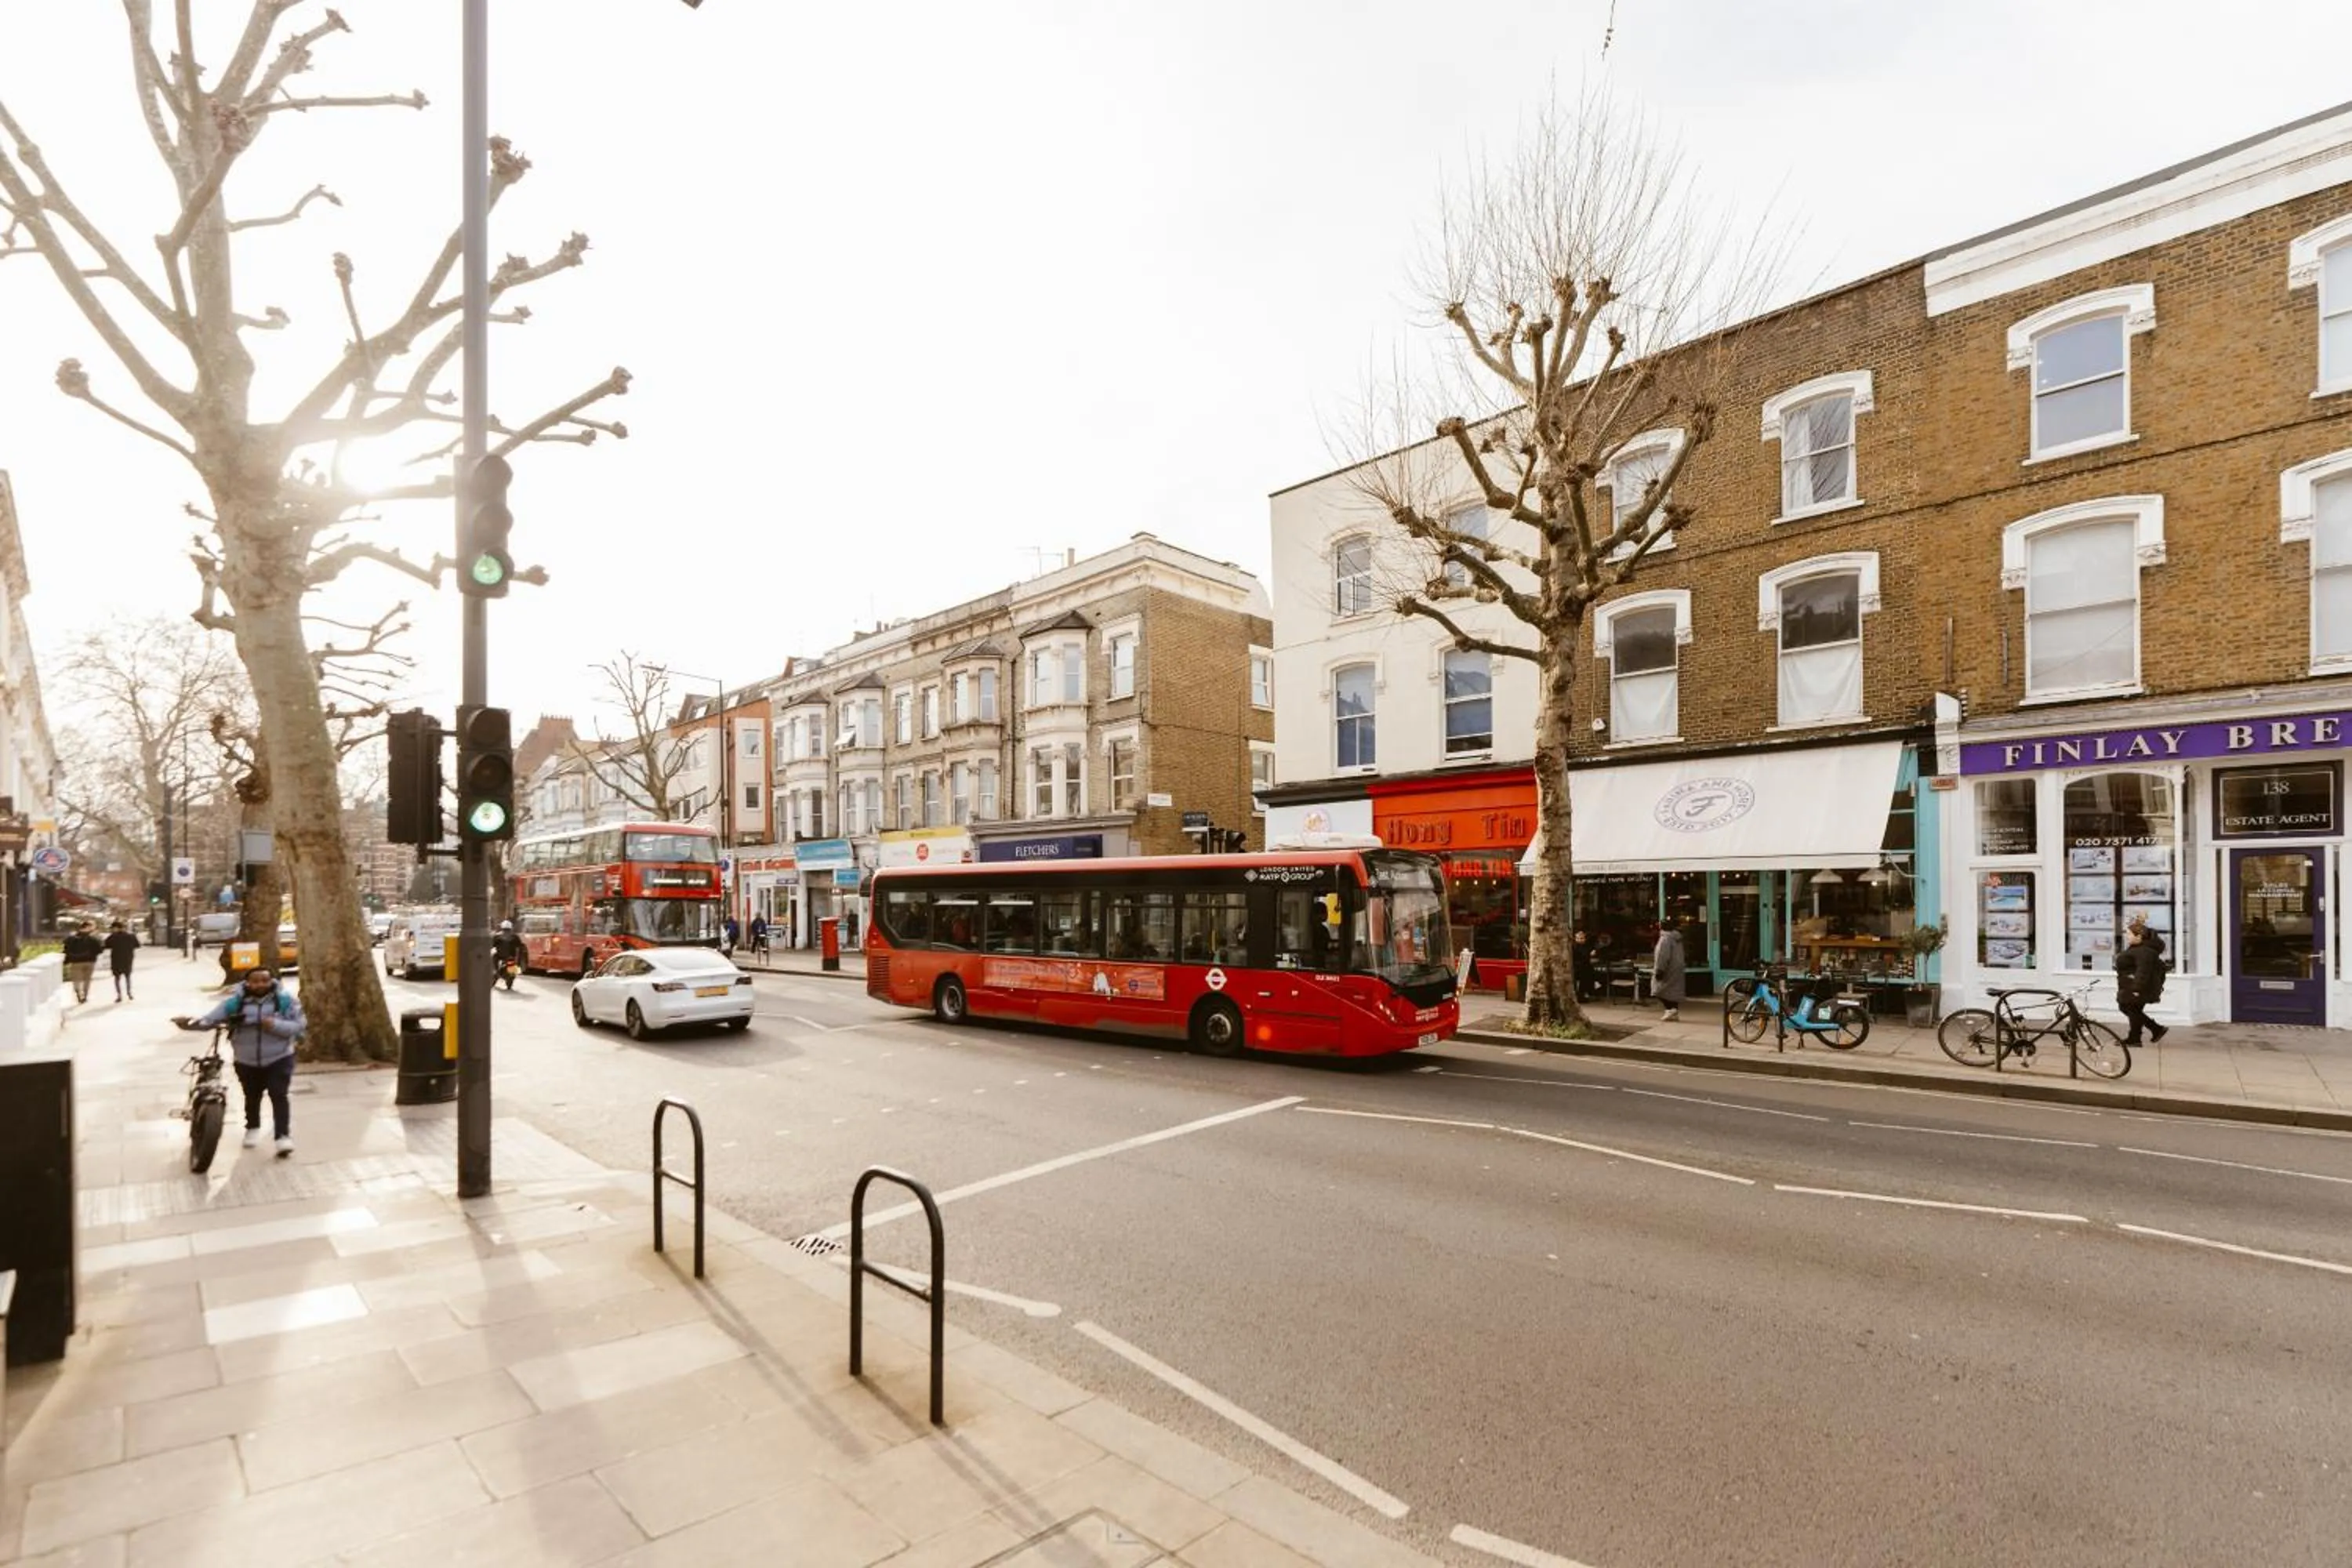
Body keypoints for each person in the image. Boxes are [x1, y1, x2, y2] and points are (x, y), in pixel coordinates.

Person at [177, 968, 306, 1156]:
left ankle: (282, 1136)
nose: (260, 985)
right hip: (246, 1060)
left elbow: (299, 1025)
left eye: (265, 980)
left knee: (279, 1095)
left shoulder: (286, 1001)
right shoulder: (234, 1003)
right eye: (255, 981)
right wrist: (190, 1023)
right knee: (251, 1095)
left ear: (271, 981)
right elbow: (210, 1020)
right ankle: (252, 1128)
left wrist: (275, 1025)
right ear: (247, 983)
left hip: (279, 1057)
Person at [2115, 916, 2170, 1046]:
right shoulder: (2141, 949)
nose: (2127, 937)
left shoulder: (2143, 951)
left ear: (2139, 936)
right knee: (2133, 1010)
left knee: (2128, 1008)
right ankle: (2138, 1037)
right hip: (2132, 984)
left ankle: (2153, 1030)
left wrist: (2137, 989)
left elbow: (2143, 971)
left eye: (2129, 934)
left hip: (2136, 986)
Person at [1651, 920, 1686, 1024]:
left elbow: (1662, 956)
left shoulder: (1665, 939)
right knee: (1674, 990)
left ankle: (1670, 1009)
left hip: (1667, 968)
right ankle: (1673, 1011)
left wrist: (1659, 969)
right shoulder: (1677, 938)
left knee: (1658, 989)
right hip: (1677, 967)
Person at [61, 922, 102, 1004]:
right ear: (88, 928)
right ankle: (85, 996)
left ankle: (78, 994)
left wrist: (68, 959)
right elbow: (99, 950)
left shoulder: (71, 939)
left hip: (75, 962)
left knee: (76, 980)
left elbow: (66, 950)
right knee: (87, 980)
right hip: (90, 962)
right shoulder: (93, 939)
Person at [102, 919, 140, 1002]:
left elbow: (106, 946)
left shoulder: (112, 937)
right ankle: (129, 993)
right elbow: (137, 945)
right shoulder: (131, 936)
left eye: (113, 928)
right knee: (128, 977)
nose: (112, 930)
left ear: (117, 928)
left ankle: (119, 995)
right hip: (128, 959)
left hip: (116, 959)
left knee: (117, 978)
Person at [491, 920, 526, 989]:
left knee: (494, 960)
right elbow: (520, 947)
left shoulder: (497, 936)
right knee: (495, 960)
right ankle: (495, 972)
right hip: (510, 957)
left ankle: (495, 971)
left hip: (501, 956)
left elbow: (492, 946)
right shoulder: (515, 937)